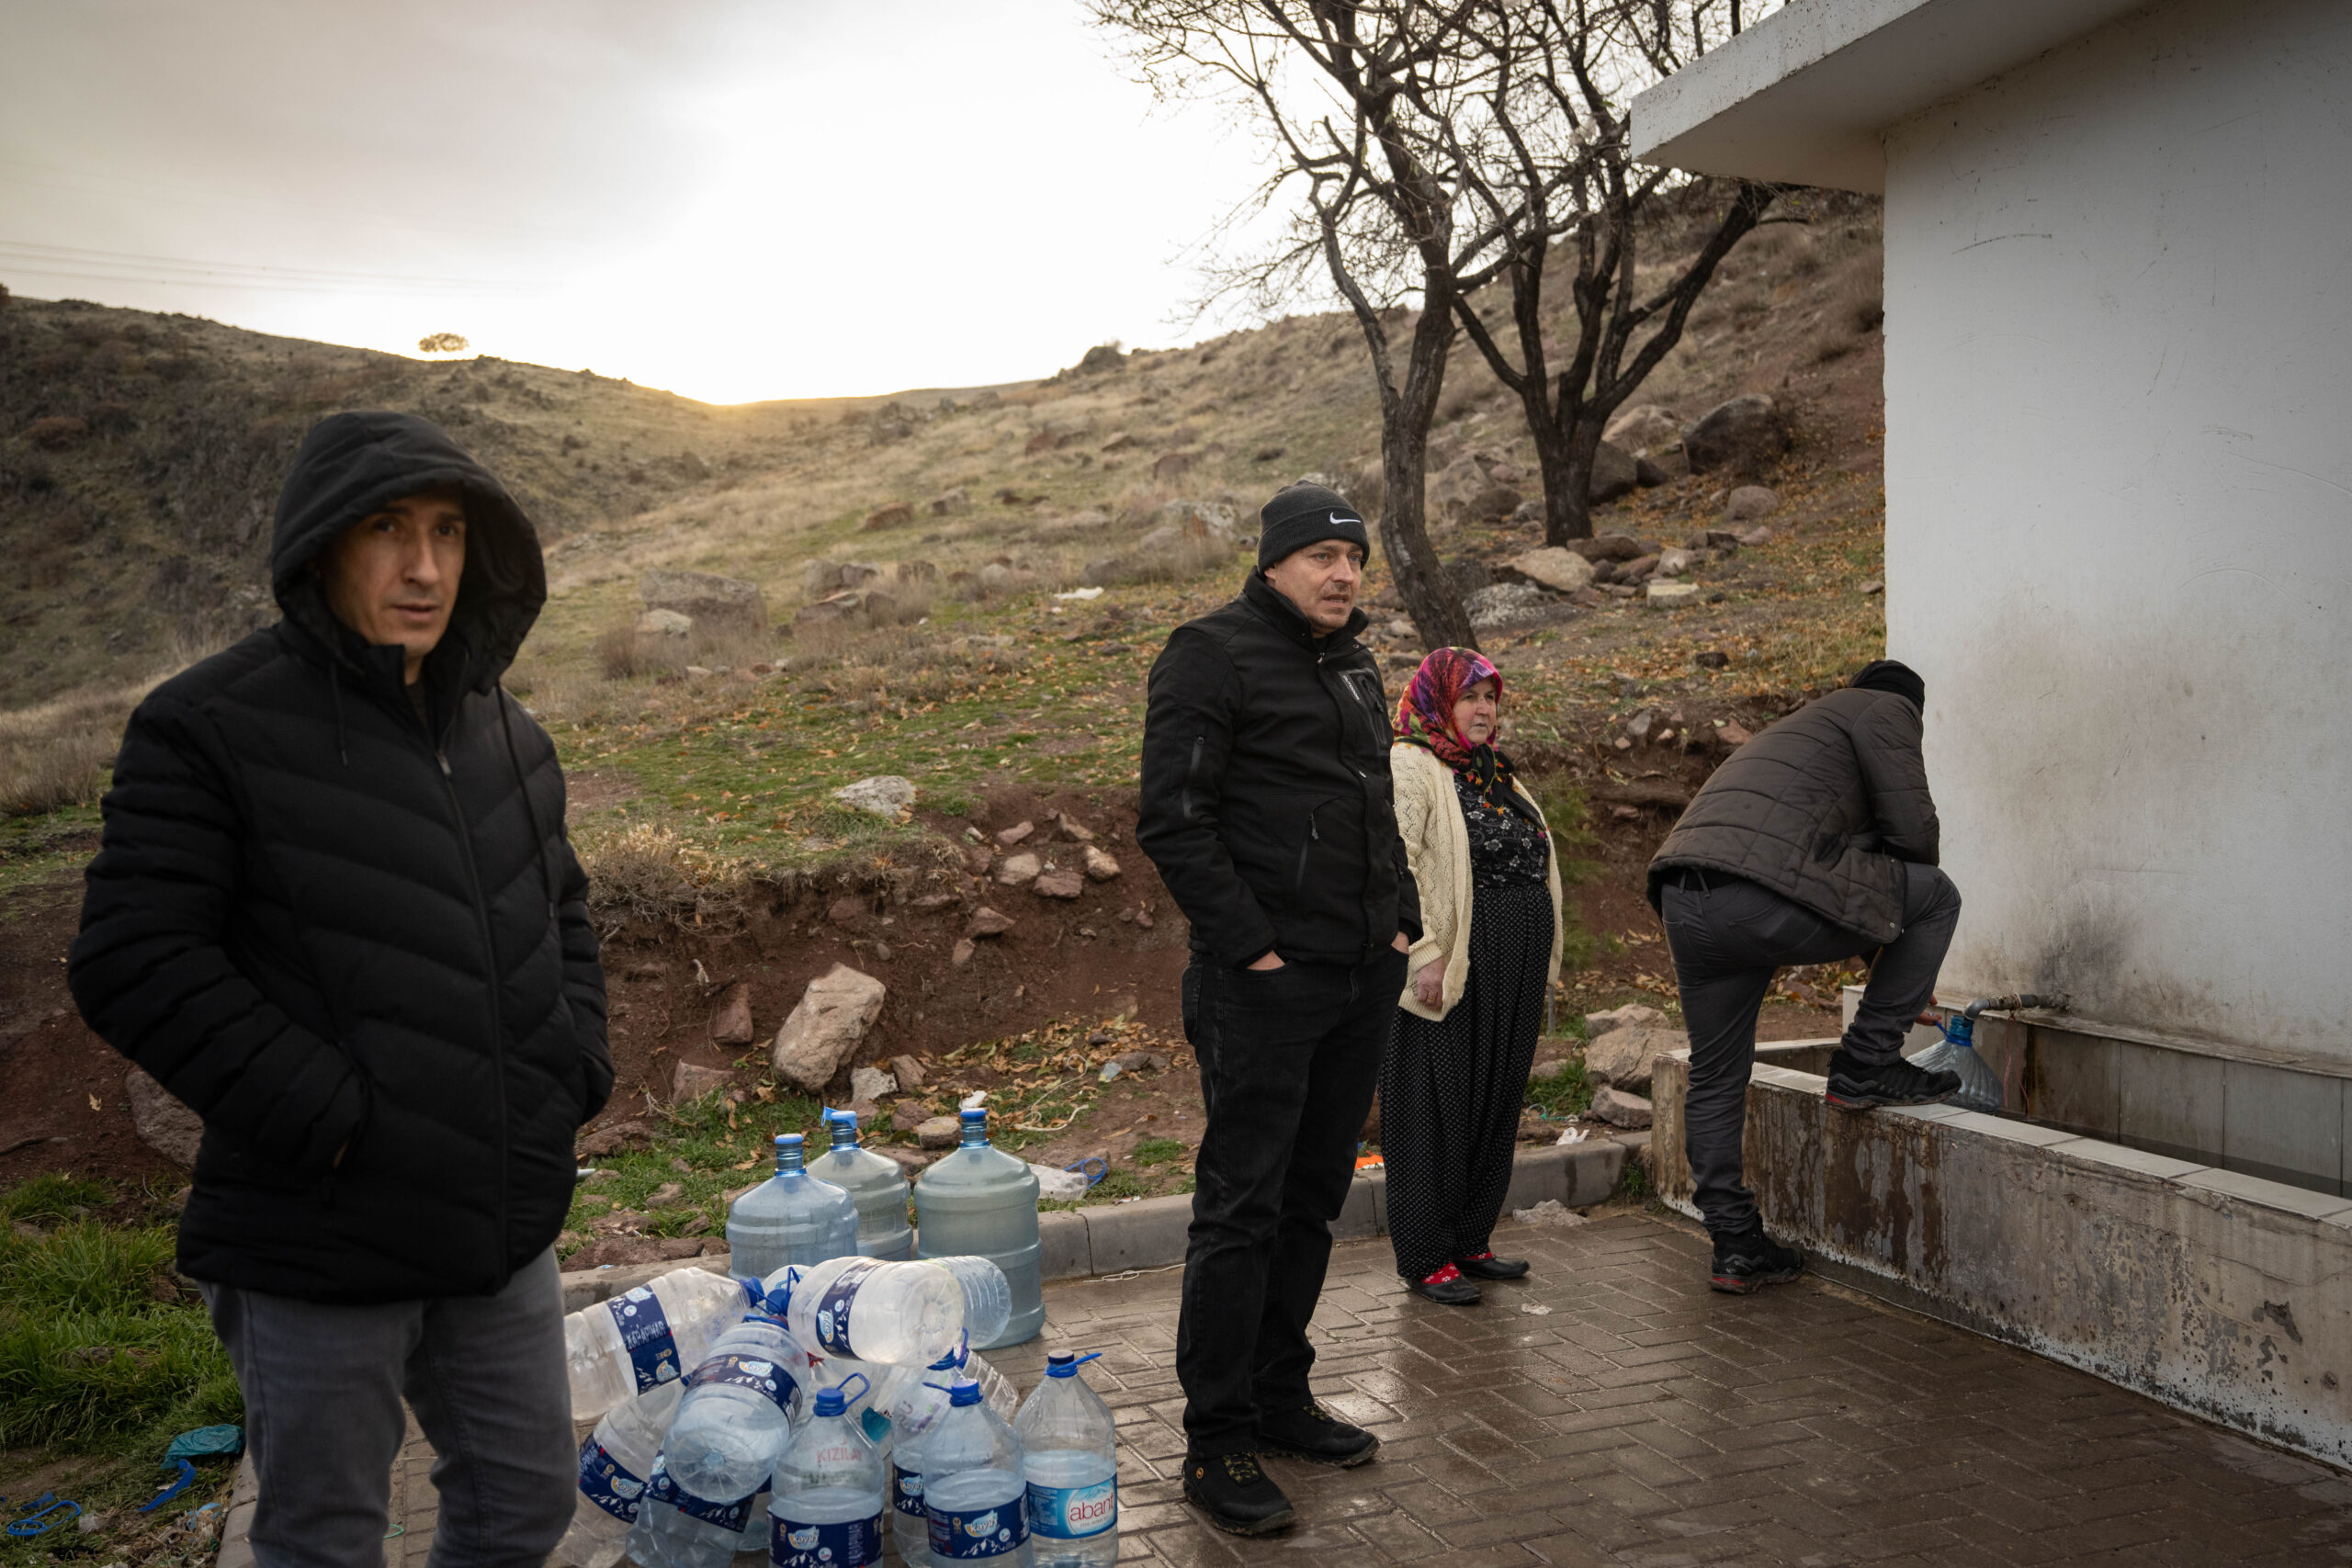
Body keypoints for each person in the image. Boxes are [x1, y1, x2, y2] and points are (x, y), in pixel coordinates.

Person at [69, 411, 609, 1567]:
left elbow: (561, 908)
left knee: (524, 1502)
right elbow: (131, 957)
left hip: (497, 1219)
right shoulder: (206, 726)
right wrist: (337, 1120)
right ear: (321, 546)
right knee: (326, 1540)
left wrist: (574, 1066)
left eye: (448, 532)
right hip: (318, 1232)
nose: (424, 567)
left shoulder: (507, 732)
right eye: (386, 530)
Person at [1136, 481, 1419, 1537]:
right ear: (1272, 561)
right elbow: (1173, 819)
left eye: (1355, 559)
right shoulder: (1209, 653)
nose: (1344, 574)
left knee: (1311, 1197)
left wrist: (1401, 919)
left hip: (1359, 970)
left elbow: (1373, 803)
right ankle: (1216, 1441)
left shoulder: (1353, 661)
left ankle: (1277, 1394)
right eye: (1321, 557)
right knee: (1242, 1207)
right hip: (1261, 984)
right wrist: (1251, 947)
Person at [1648, 658, 1962, 1295]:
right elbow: (1912, 835)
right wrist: (1901, 955)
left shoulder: (1805, 724)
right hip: (1760, 894)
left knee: (1716, 1072)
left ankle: (1736, 1244)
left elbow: (1832, 868)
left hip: (1686, 895)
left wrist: (1890, 960)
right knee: (1936, 896)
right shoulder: (1889, 707)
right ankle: (1867, 1060)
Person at [1382, 649, 1565, 1305]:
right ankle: (1425, 1253)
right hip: (1451, 959)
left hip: (1513, 953)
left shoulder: (1490, 770)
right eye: (1470, 697)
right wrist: (1422, 952)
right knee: (1433, 1102)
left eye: (1491, 697)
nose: (1484, 709)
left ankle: (1468, 1236)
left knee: (1495, 1096)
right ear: (1439, 702)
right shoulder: (1411, 762)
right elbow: (1395, 860)